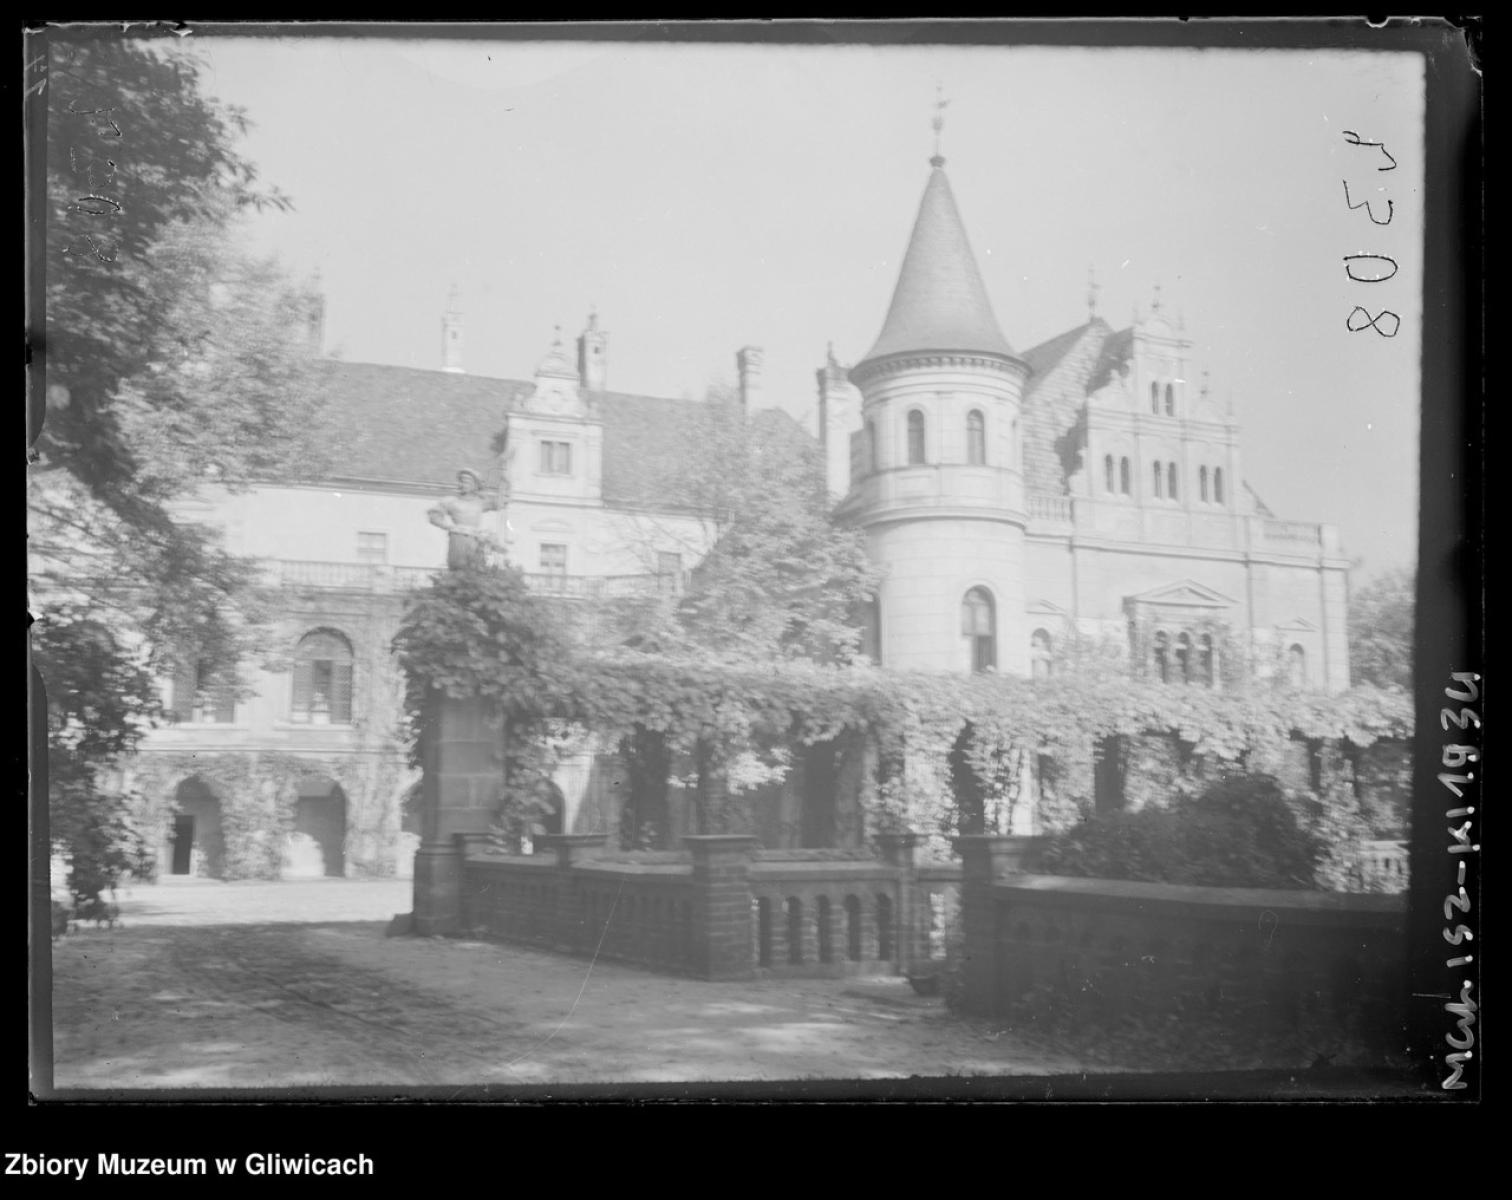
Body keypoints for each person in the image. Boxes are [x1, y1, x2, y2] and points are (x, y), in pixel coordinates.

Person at [428, 468, 502, 569]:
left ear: (475, 485)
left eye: (466, 482)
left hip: (475, 540)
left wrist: (506, 481)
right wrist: (449, 527)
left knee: (476, 570)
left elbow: (501, 502)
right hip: (458, 540)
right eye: (460, 482)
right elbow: (433, 516)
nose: (461, 485)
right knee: (458, 569)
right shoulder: (451, 501)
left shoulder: (479, 503)